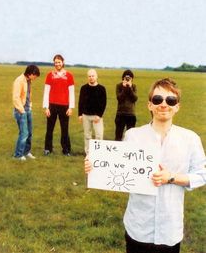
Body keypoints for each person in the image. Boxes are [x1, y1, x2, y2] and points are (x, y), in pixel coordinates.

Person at [85, 78, 206, 253]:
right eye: (157, 100)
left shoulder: (190, 139)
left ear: (177, 106)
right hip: (138, 227)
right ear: (150, 105)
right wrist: (94, 166)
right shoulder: (133, 135)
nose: (163, 104)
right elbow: (116, 169)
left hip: (169, 230)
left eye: (170, 100)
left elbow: (202, 174)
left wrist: (172, 178)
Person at [42, 54, 75, 156]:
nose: (57, 64)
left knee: (64, 129)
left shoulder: (69, 76)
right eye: (55, 62)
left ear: (63, 62)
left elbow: (71, 92)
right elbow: (46, 92)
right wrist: (46, 107)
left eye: (59, 62)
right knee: (49, 128)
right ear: (54, 63)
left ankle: (66, 150)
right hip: (52, 105)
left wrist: (71, 107)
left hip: (64, 106)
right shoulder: (50, 75)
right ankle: (48, 149)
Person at [12, 64, 40, 161]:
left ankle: (26, 152)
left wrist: (30, 107)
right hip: (21, 111)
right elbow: (16, 98)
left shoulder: (29, 81)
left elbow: (28, 96)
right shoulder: (19, 80)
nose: (35, 78)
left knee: (30, 133)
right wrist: (22, 111)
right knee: (24, 133)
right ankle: (18, 155)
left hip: (28, 110)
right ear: (30, 73)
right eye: (35, 75)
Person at [78, 69, 107, 155]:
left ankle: (98, 153)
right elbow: (81, 101)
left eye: (93, 76)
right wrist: (80, 114)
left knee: (99, 135)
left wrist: (99, 115)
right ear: (87, 77)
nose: (91, 78)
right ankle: (88, 153)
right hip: (86, 115)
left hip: (96, 116)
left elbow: (104, 103)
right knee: (87, 135)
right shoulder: (83, 88)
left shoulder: (101, 89)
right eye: (89, 76)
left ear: (96, 76)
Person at [115, 69, 138, 141]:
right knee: (118, 136)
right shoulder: (119, 86)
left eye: (129, 78)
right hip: (120, 114)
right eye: (126, 78)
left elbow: (134, 98)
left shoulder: (134, 86)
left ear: (132, 79)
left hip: (131, 114)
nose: (127, 79)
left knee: (131, 137)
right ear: (123, 78)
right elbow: (119, 98)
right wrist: (124, 88)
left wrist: (130, 88)